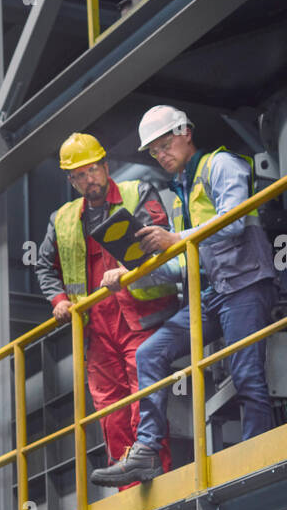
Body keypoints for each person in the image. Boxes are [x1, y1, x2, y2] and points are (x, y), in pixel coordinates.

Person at [91, 106, 278, 487]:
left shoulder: (220, 166)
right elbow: (180, 265)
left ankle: (259, 456)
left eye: (165, 144)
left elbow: (235, 219)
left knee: (246, 374)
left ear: (186, 132)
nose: (161, 155)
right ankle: (146, 453)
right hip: (213, 294)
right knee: (149, 353)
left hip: (245, 284)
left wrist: (175, 239)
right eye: (154, 151)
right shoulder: (179, 194)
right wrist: (130, 275)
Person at [33, 132, 179, 486]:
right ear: (71, 180)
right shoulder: (62, 219)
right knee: (110, 409)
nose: (89, 180)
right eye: (80, 175)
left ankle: (156, 476)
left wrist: (129, 272)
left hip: (140, 317)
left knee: (141, 399)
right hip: (96, 329)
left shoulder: (137, 192)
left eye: (93, 170)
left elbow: (161, 243)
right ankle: (127, 485)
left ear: (105, 166)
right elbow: (44, 266)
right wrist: (60, 301)